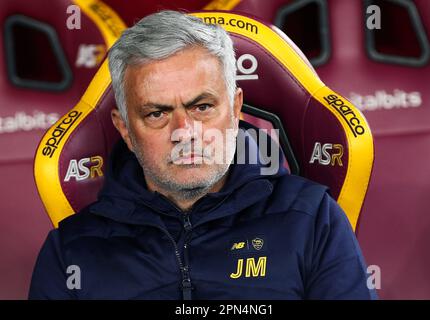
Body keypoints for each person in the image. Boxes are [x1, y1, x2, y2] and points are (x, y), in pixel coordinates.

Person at [29, 10, 377, 300]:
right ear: (125, 130)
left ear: (236, 108)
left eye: (202, 107)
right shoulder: (70, 250)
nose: (185, 131)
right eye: (157, 113)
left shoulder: (313, 219)